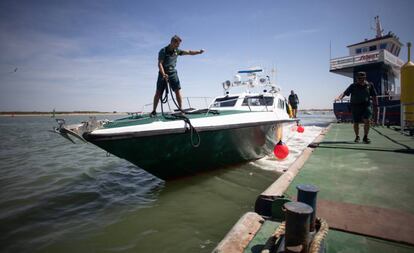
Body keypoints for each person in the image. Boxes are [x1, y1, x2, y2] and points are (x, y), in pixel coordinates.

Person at [151, 35, 204, 116]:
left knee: (177, 91)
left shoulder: (177, 51)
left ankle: (181, 109)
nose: (178, 46)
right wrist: (163, 74)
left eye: (179, 45)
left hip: (173, 73)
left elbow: (189, 52)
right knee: (158, 92)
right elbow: (160, 64)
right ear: (172, 42)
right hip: (162, 73)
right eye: (177, 44)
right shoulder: (163, 51)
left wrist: (199, 52)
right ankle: (154, 111)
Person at [336, 72, 378, 143]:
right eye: (358, 78)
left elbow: (374, 95)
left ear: (364, 78)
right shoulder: (353, 86)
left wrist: (376, 105)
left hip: (366, 105)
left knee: (367, 120)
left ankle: (365, 137)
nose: (359, 80)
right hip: (355, 106)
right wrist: (339, 97)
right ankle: (357, 136)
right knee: (356, 122)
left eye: (360, 78)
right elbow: (345, 93)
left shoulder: (370, 85)